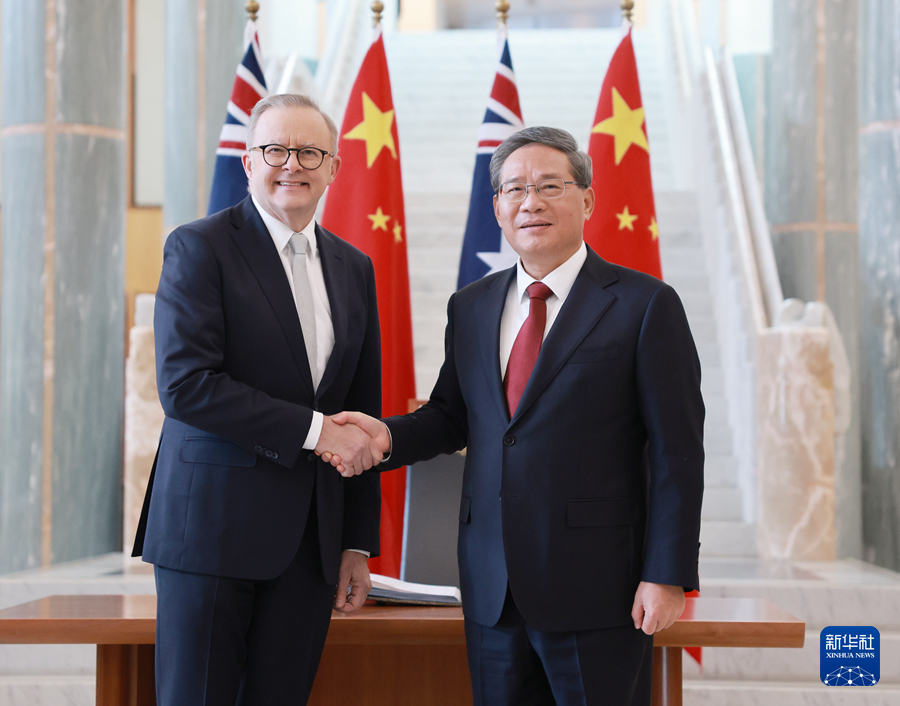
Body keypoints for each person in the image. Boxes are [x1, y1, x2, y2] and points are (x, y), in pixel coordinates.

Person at [325, 127, 704, 705]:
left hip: (599, 589)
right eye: (515, 189)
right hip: (492, 587)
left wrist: (667, 573)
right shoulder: (472, 305)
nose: (531, 202)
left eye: (550, 186)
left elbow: (678, 452)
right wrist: (386, 438)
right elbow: (451, 416)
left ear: (587, 199)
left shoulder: (645, 305)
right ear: (497, 207)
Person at [132, 93, 385, 706]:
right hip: (211, 531)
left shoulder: (354, 267)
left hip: (310, 543)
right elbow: (187, 385)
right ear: (248, 162)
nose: (291, 164)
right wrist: (316, 432)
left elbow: (360, 410)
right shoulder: (200, 247)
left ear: (333, 167)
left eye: (309, 152)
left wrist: (355, 542)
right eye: (275, 150)